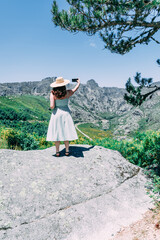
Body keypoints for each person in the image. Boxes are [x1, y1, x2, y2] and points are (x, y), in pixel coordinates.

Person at [46, 76, 80, 156]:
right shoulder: (67, 92)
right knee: (66, 132)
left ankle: (57, 152)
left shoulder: (52, 94)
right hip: (66, 114)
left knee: (57, 133)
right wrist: (78, 83)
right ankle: (67, 151)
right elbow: (75, 89)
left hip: (56, 114)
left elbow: (52, 106)